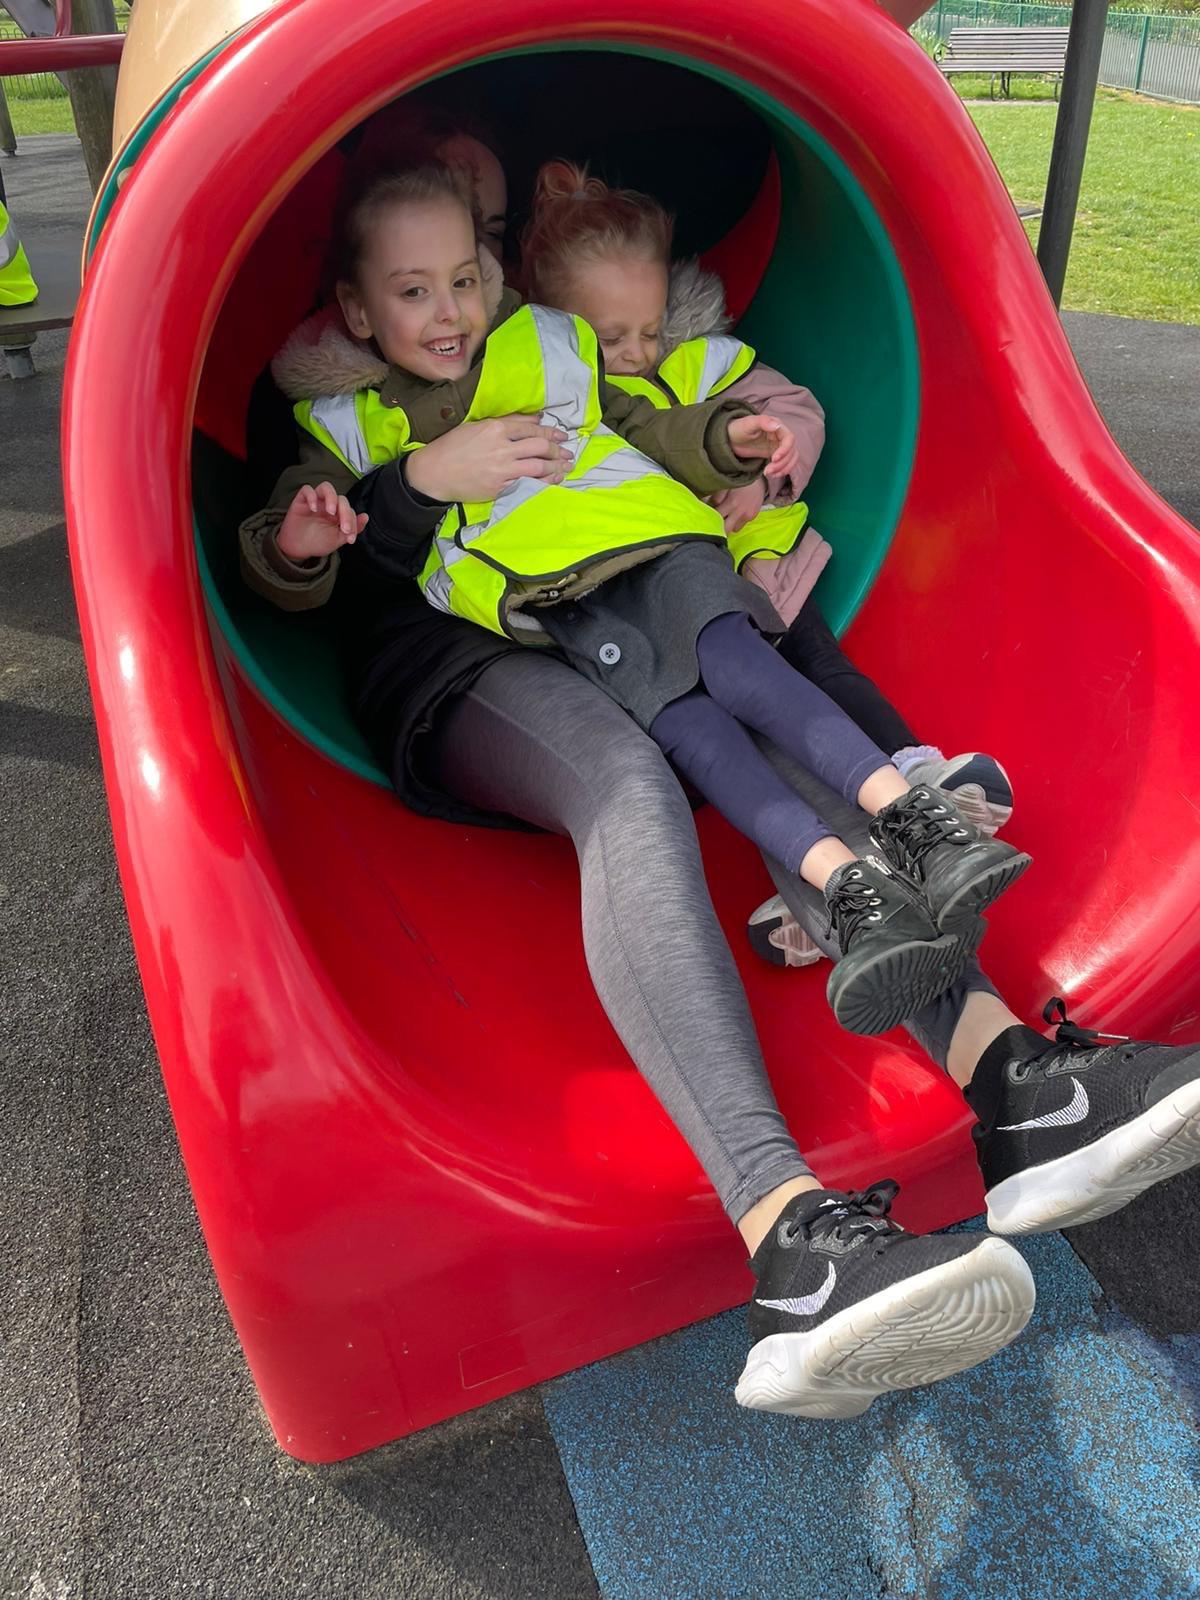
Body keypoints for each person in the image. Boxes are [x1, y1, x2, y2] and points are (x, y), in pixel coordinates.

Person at [238, 136, 1200, 1421]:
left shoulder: (538, 353)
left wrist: (732, 446)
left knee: (746, 688)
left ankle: (1016, 1082)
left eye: (470, 268)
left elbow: (643, 429)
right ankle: (789, 1236)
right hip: (456, 654)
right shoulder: (328, 406)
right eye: (413, 287)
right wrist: (399, 492)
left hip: (609, 589)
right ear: (357, 304)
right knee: (628, 780)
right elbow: (288, 559)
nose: (451, 305)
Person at [520, 160, 1016, 973]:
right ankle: (823, 892)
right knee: (742, 740)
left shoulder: (703, 363)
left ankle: (912, 772)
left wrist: (760, 477)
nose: (637, 353)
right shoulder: (561, 404)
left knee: (817, 670)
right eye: (611, 340)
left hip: (760, 564)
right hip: (676, 603)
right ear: (555, 328)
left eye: (650, 329)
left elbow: (796, 411)